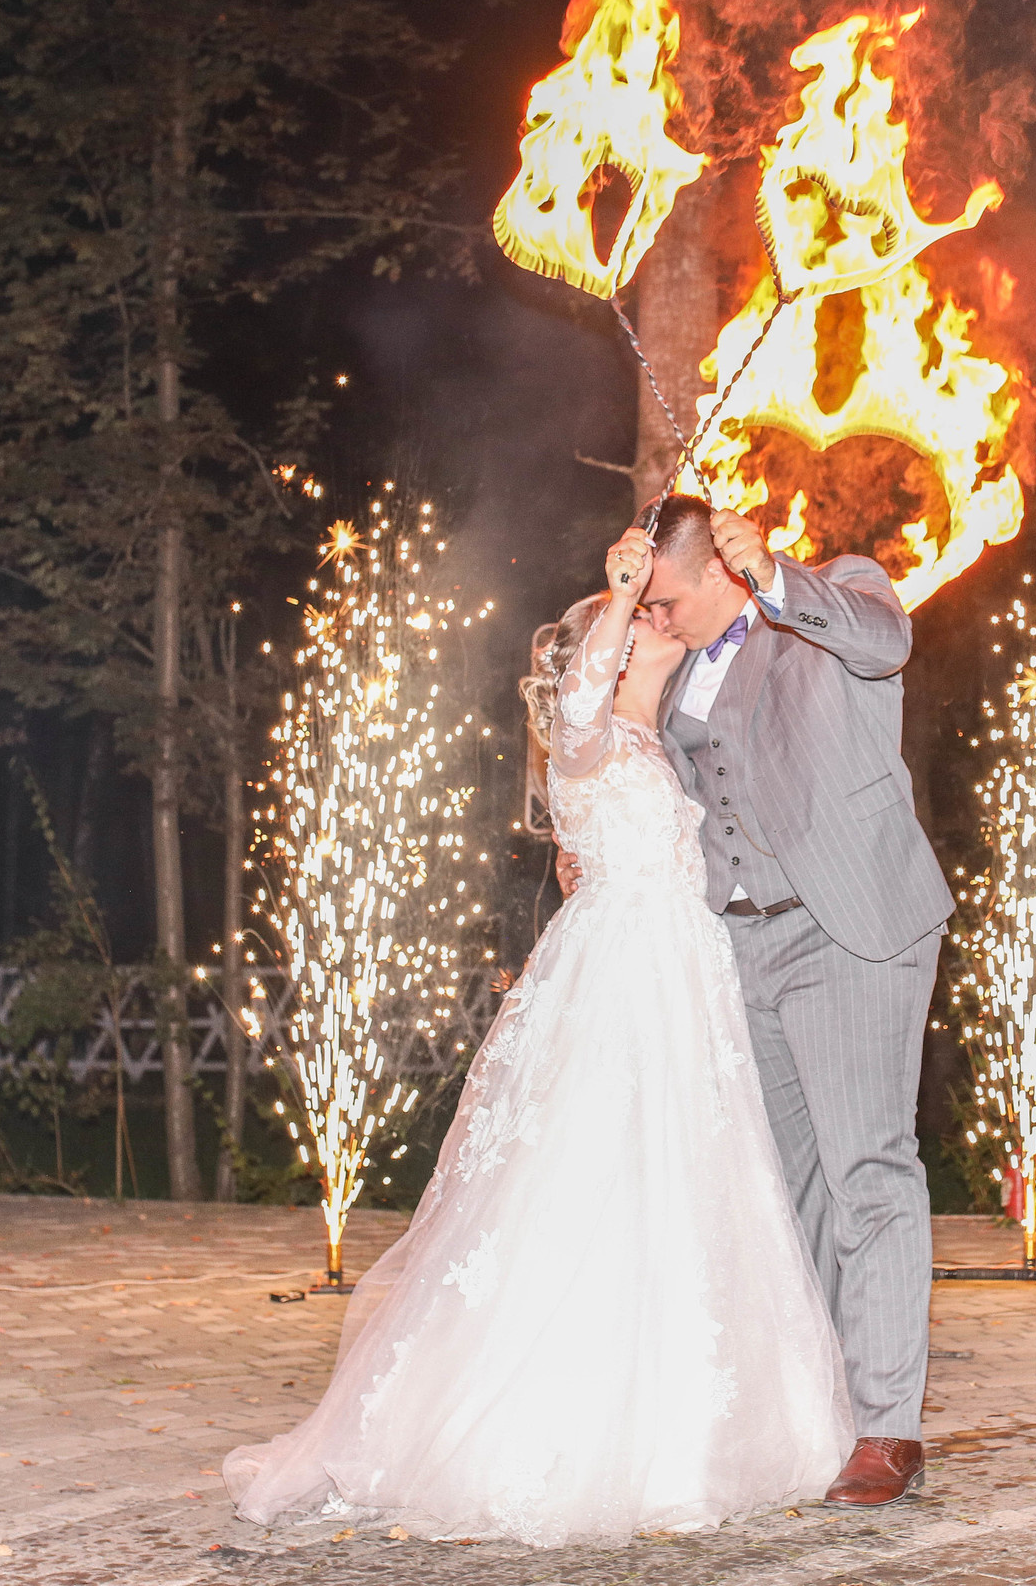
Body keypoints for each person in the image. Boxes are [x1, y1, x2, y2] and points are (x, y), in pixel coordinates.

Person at [224, 529, 852, 1546]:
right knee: (593, 1180)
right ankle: (570, 1428)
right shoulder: (587, 739)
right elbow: (575, 703)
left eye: (654, 614)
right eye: (639, 622)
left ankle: (691, 1427)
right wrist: (618, 593)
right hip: (618, 985)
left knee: (686, 1188)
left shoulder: (660, 749)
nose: (655, 624)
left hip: (685, 984)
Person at [632, 493, 955, 1507]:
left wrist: (775, 578)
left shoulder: (834, 591)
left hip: (846, 924)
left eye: (670, 597)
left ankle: (886, 1430)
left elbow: (885, 636)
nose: (663, 615)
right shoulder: (673, 654)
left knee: (869, 1171)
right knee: (788, 1185)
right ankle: (822, 1406)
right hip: (737, 936)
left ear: (723, 567)